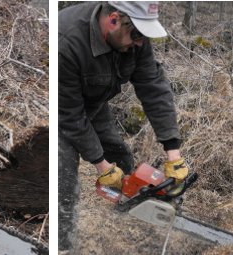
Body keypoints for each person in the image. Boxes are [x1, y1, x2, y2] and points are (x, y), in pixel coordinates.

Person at [58, 1, 190, 251]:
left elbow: (153, 87)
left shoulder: (134, 38)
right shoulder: (65, 41)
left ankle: (132, 224)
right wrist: (101, 165)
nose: (140, 42)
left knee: (121, 160)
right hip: (58, 108)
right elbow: (70, 116)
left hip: (93, 103)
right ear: (114, 19)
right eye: (137, 34)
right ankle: (62, 243)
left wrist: (174, 152)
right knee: (61, 181)